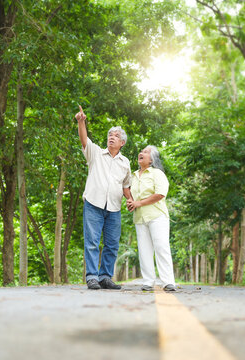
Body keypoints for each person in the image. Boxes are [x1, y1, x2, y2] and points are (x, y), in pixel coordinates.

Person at [75, 105, 132, 290]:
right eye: (110, 135)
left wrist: (131, 200)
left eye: (115, 135)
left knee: (112, 244)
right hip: (93, 203)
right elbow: (84, 140)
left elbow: (126, 186)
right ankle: (92, 276)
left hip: (114, 208)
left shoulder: (125, 163)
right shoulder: (96, 154)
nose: (111, 137)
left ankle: (105, 277)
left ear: (122, 142)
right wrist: (81, 122)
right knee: (91, 242)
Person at [126, 145, 176, 292]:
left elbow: (160, 194)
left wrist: (138, 203)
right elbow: (130, 194)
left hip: (157, 216)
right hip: (140, 217)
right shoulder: (133, 176)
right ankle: (148, 281)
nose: (141, 153)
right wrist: (130, 202)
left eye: (146, 152)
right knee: (144, 250)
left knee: (161, 247)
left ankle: (168, 282)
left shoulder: (157, 173)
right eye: (141, 151)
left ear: (152, 159)